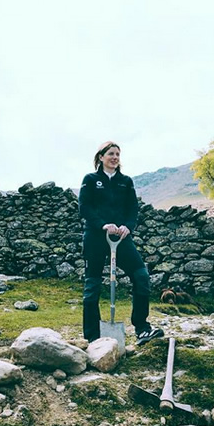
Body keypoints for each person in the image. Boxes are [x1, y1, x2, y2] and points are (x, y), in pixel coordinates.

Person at [78, 141, 164, 345]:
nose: (115, 157)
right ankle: (93, 335)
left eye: (117, 154)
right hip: (96, 237)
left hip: (121, 238)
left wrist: (128, 226)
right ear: (101, 157)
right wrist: (102, 225)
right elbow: (84, 208)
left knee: (141, 275)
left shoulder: (125, 181)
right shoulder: (90, 180)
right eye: (110, 153)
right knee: (93, 284)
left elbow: (133, 209)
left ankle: (142, 328)